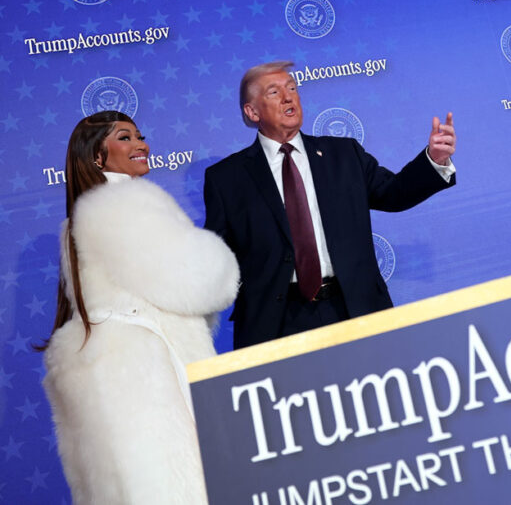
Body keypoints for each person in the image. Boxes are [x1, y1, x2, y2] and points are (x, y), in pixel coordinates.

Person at [41, 111, 240, 504]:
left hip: (116, 377)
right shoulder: (125, 206)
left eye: (140, 136)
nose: (141, 144)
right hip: (148, 376)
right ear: (98, 156)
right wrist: (224, 262)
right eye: (125, 138)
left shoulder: (80, 216)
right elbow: (197, 281)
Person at [204, 61, 456, 349]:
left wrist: (434, 160)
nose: (288, 97)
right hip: (278, 323)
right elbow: (217, 255)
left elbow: (395, 193)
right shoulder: (227, 178)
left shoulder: (343, 154)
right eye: (274, 92)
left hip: (354, 308)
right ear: (252, 112)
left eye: (292, 88)